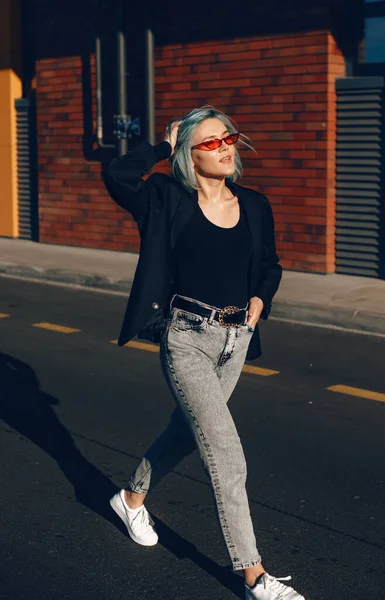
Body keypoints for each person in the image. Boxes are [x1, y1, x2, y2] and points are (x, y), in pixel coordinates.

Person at [102, 106, 306, 600]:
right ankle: (255, 576)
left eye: (229, 137)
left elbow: (270, 267)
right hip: (187, 337)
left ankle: (130, 499)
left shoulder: (255, 205)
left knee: (184, 433)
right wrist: (161, 147)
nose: (225, 146)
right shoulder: (165, 197)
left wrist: (261, 299)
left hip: (234, 340)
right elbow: (117, 173)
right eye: (211, 141)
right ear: (189, 153)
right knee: (226, 454)